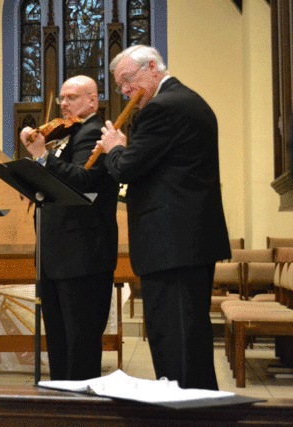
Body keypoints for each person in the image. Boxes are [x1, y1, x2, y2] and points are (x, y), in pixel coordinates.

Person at [97, 45, 231, 390]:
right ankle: (198, 409)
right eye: (120, 85)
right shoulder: (187, 100)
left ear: (152, 67)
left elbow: (127, 168)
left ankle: (185, 413)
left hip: (172, 243)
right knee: (189, 339)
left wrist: (115, 147)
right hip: (187, 240)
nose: (125, 90)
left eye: (128, 80)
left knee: (175, 341)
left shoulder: (161, 107)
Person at [19, 76, 119, 380]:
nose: (64, 104)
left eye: (72, 97)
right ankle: (61, 399)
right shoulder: (69, 133)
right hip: (58, 255)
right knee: (60, 338)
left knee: (79, 339)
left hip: (81, 255)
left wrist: (42, 156)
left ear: (92, 100)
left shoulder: (92, 133)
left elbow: (83, 181)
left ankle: (80, 407)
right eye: (62, 98)